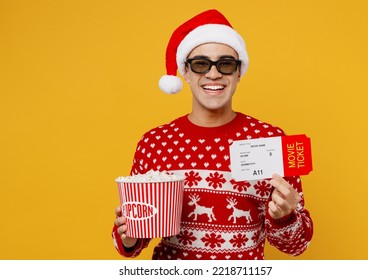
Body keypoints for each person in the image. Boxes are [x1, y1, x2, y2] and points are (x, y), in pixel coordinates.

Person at [112, 9, 313, 260]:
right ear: (185, 72)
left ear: (239, 72)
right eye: (201, 64)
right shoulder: (155, 143)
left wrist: (286, 216)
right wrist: (128, 236)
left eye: (226, 64)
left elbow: (298, 245)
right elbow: (130, 242)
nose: (213, 74)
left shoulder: (273, 140)